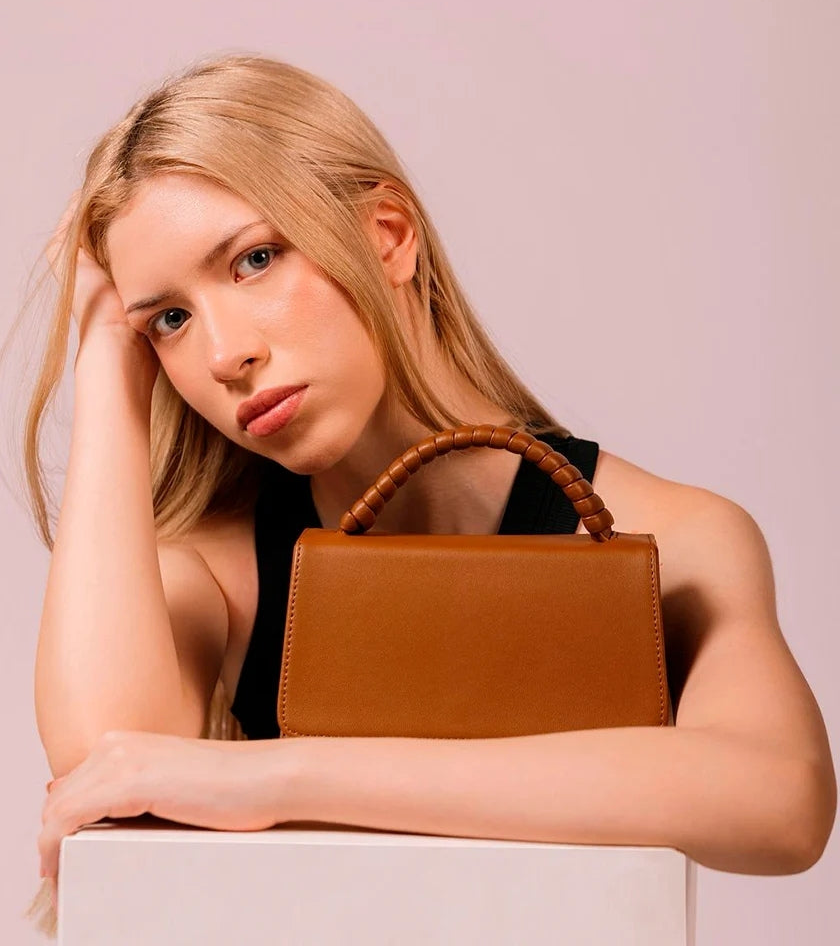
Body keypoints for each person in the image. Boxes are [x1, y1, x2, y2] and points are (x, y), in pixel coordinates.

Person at [11, 53, 835, 935]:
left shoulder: (661, 538)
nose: (222, 353)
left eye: (254, 259)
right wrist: (103, 350)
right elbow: (111, 779)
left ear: (388, 235)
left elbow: (780, 803)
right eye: (169, 318)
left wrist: (274, 774)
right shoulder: (220, 568)